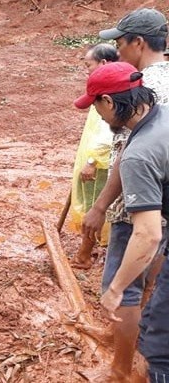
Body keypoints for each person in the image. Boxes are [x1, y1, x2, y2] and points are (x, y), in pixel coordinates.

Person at [79, 8, 169, 382]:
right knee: (156, 297)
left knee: (127, 288)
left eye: (120, 42)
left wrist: (113, 289)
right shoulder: (156, 103)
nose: (117, 48)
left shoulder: (138, 147)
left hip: (142, 205)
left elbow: (148, 234)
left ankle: (121, 368)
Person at [69, 44, 118, 269]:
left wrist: (91, 161)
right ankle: (94, 250)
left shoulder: (110, 94)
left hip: (99, 164)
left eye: (89, 65)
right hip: (96, 159)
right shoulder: (105, 87)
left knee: (95, 206)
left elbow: (108, 132)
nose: (86, 70)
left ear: (104, 64)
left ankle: (84, 256)